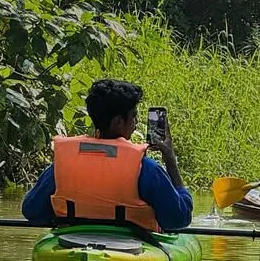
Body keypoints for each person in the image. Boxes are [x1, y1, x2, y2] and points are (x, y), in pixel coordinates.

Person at [22, 78, 193, 232]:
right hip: (130, 247)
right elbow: (178, 219)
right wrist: (170, 160)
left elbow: (32, 211)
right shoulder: (146, 169)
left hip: (72, 240)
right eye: (134, 116)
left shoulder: (62, 166)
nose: (136, 122)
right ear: (118, 122)